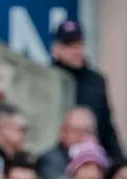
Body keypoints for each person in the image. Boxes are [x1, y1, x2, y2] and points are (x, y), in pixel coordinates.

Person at [50, 20, 120, 161]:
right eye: (69, 46)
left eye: (79, 45)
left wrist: (118, 159)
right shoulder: (48, 79)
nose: (76, 51)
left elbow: (105, 125)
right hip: (58, 155)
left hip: (91, 155)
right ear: (56, 48)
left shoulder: (95, 81)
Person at [37, 107, 96, 179]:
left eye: (87, 132)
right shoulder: (50, 159)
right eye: (75, 131)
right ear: (63, 132)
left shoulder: (99, 162)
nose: (82, 137)